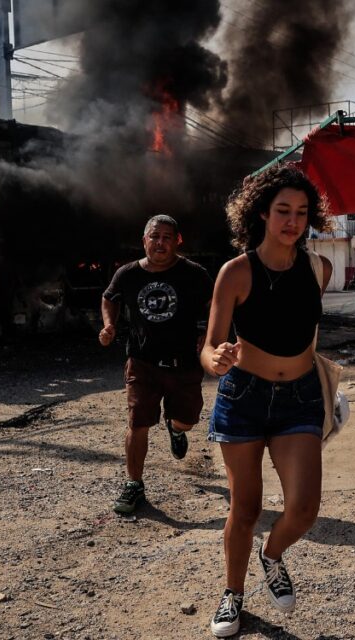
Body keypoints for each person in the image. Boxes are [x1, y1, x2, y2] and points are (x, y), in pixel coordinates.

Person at [200, 166, 333, 637]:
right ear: (261, 213)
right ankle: (232, 595)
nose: (292, 221)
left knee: (304, 509)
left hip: (299, 398)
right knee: (246, 508)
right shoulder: (235, 272)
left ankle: (272, 555)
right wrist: (216, 357)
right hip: (244, 398)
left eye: (301, 212)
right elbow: (209, 343)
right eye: (282, 211)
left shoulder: (319, 268)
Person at [99, 214, 213, 515]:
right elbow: (109, 297)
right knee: (137, 423)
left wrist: (207, 334)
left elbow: (214, 305)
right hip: (142, 362)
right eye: (154, 236)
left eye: (166, 237)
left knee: (188, 418)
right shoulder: (127, 274)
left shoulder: (195, 274)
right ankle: (134, 484)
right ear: (144, 240)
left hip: (184, 362)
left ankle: (176, 429)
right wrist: (109, 325)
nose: (159, 242)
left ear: (177, 241)